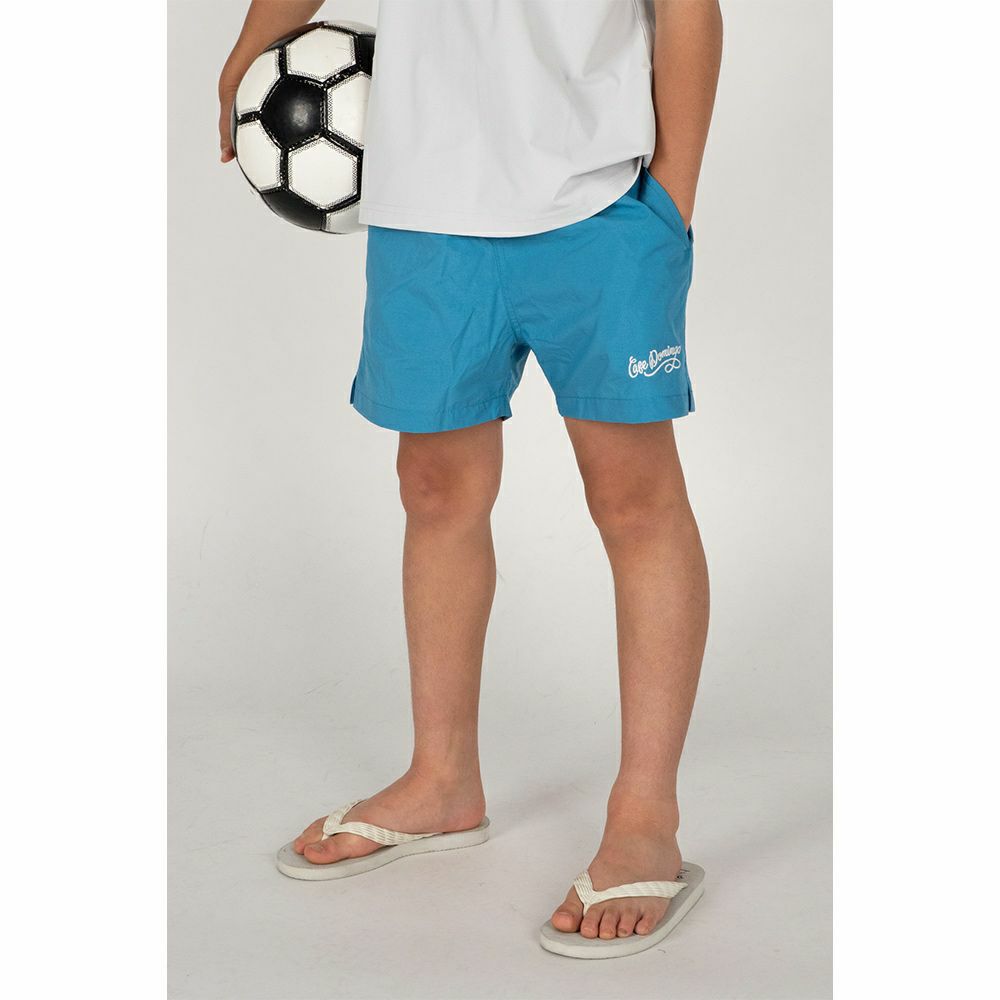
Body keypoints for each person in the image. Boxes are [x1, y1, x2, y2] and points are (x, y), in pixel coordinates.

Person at [219, 0, 723, 958]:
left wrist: (672, 199)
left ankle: (646, 814)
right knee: (435, 490)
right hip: (425, 207)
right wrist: (248, 48)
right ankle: (442, 778)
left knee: (633, 499)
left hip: (600, 204)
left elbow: (687, 8)